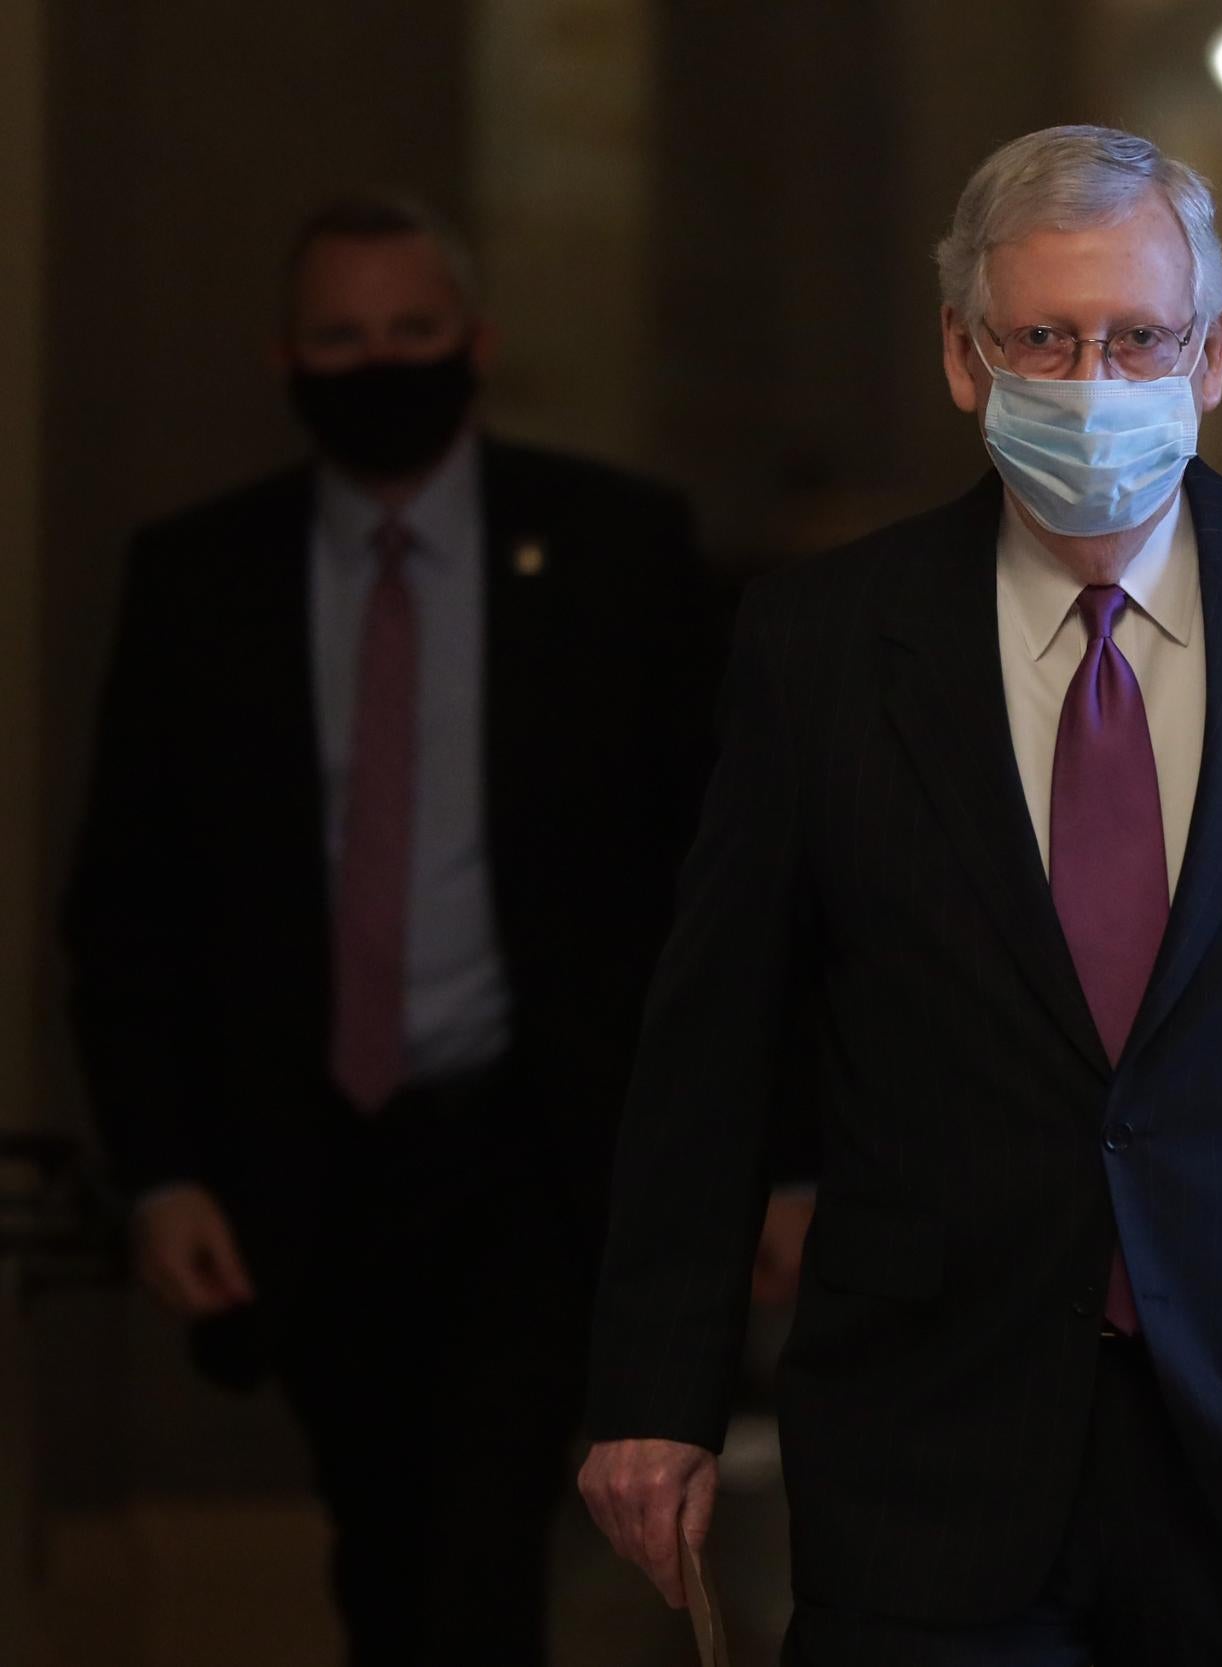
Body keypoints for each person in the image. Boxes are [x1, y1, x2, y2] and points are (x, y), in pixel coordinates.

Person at [578, 126, 1222, 1667]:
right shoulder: (822, 643)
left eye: (1137, 337)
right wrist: (655, 1392)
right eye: (1044, 337)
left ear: (1211, 353)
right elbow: (713, 1036)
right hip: (923, 1439)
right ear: (966, 359)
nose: (1091, 380)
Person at [60, 191, 800, 1666]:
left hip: (536, 1150)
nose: (378, 360)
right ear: (284, 358)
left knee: (476, 1545)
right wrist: (158, 1171)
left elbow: (732, 883)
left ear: (475, 344)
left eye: (411, 330)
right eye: (341, 336)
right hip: (307, 1161)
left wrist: (774, 1158)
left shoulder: (612, 551)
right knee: (387, 1545)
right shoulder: (202, 576)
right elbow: (128, 899)